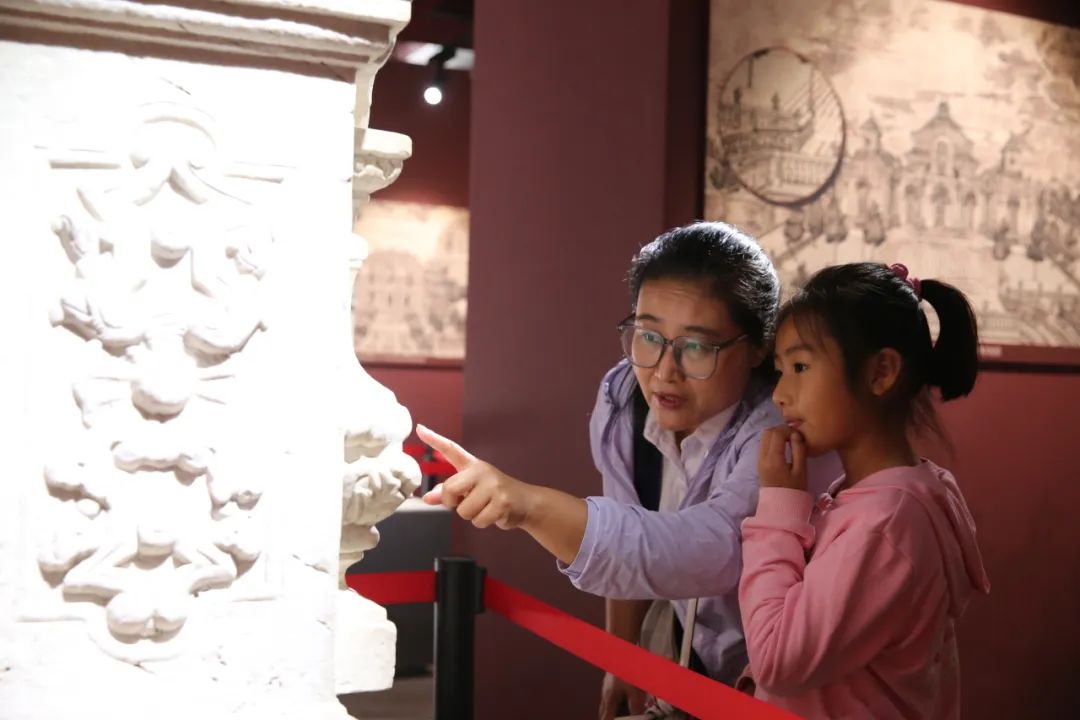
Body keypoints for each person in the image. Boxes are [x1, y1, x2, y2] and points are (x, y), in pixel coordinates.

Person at [417, 222, 839, 717]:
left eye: (697, 347)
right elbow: (627, 514)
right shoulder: (624, 398)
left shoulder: (780, 431)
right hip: (687, 654)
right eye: (648, 336)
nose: (664, 371)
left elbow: (710, 551)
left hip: (785, 686)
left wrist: (529, 506)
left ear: (759, 347)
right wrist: (621, 658)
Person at [739, 262, 990, 719]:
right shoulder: (891, 497)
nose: (779, 394)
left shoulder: (885, 524)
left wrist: (778, 507)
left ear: (881, 372)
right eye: (780, 370)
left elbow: (776, 660)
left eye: (800, 366)